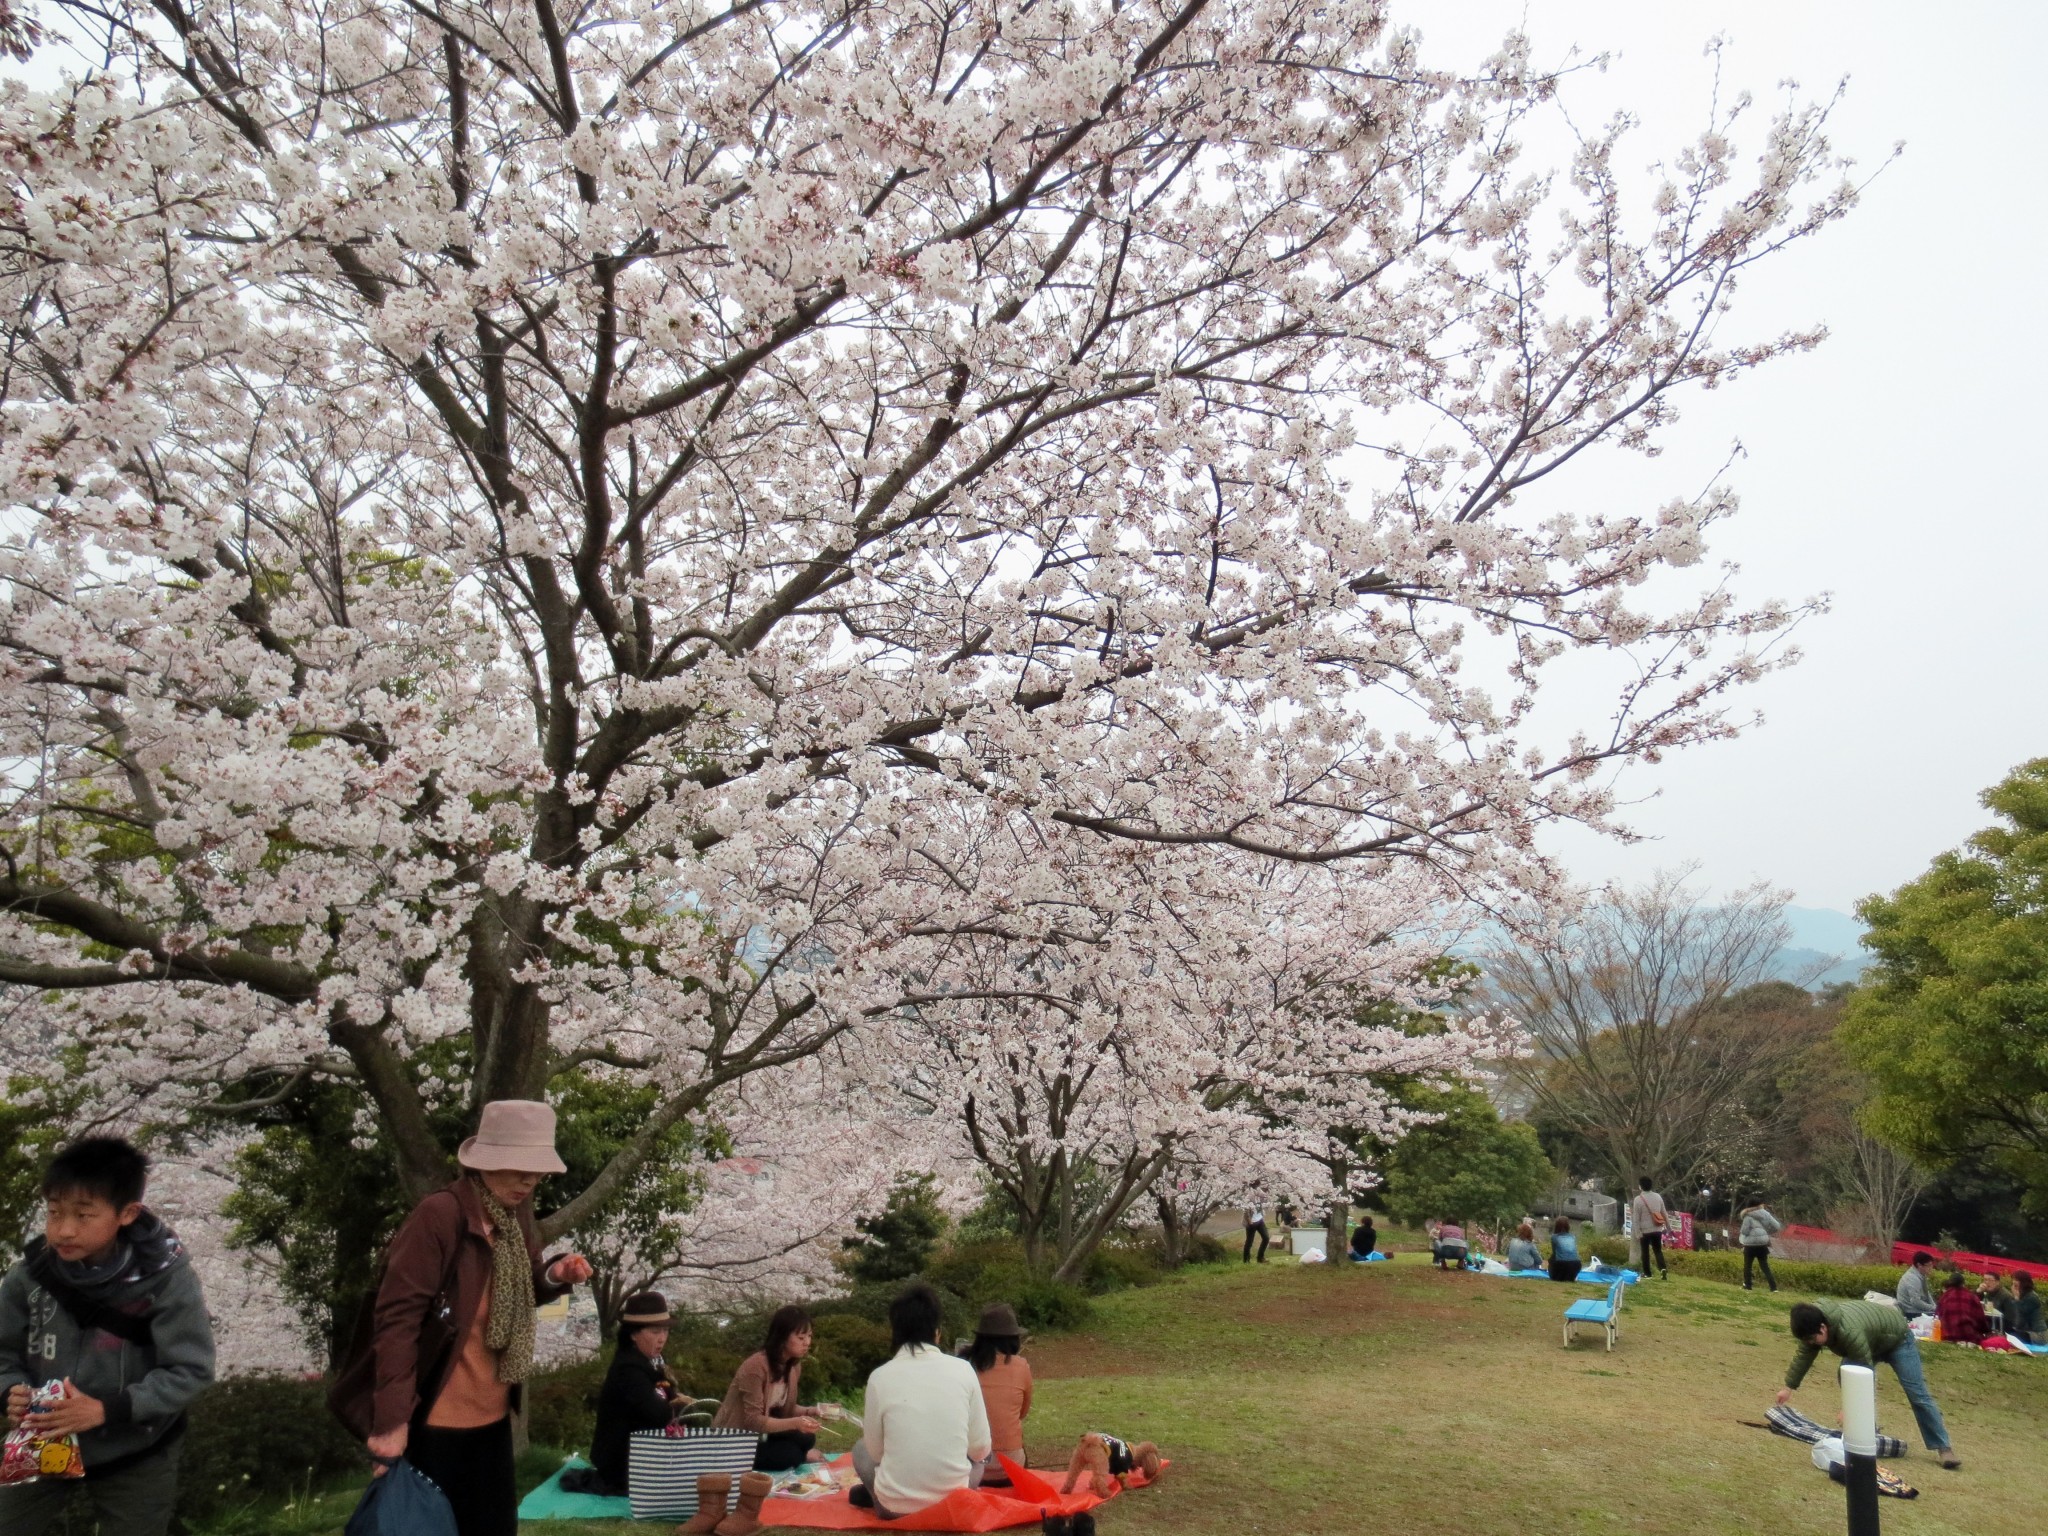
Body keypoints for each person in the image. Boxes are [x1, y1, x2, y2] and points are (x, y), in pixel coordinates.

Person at [358, 1100, 593, 1536]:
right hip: (437, 1425)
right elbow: (396, 1321)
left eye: (537, 1169)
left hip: (493, 1418)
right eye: (518, 1166)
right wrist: (390, 1423)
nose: (529, 1180)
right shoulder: (439, 1216)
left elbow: (516, 1288)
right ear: (485, 1161)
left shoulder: (511, 1216)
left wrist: (555, 1274)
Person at [0, 1136, 217, 1536]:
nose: (63, 1230)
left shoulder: (166, 1278)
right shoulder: (29, 1277)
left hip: (137, 1445)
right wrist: (10, 1390)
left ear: (127, 1213)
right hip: (43, 1436)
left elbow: (190, 1368)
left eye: (83, 1216)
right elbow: (2, 1354)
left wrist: (106, 1410)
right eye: (54, 1213)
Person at [849, 1283, 991, 1518]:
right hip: (953, 1504)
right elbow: (980, 1449)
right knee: (979, 1461)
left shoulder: (880, 1377)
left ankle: (878, 1494)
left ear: (896, 1332)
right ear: (937, 1331)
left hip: (894, 1508)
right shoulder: (964, 1370)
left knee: (859, 1449)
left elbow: (875, 1453)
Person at [1778, 1299, 1960, 1470]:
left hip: (1898, 1340)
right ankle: (1866, 1436)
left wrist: (1849, 1408)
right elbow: (1804, 1356)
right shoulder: (1812, 1324)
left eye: (1811, 1339)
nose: (1810, 1343)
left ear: (1823, 1328)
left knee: (1917, 1394)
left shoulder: (1849, 1331)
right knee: (1846, 1374)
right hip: (1870, 1341)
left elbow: (1863, 1373)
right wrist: (1788, 1387)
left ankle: (1944, 1448)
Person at [583, 1292, 680, 1495]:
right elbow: (658, 1415)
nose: (662, 1338)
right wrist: (678, 1406)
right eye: (655, 1331)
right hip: (623, 1463)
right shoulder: (628, 1370)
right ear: (633, 1334)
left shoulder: (653, 1361)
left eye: (665, 1330)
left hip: (641, 1454)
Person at [712, 1304, 825, 1471]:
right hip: (736, 1440)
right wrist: (796, 1423)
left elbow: (784, 1408)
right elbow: (753, 1421)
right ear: (782, 1337)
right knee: (791, 1454)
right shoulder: (755, 1367)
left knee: (806, 1438)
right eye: (801, 1338)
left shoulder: (793, 1367)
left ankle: (797, 1454)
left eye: (809, 1336)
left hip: (762, 1436)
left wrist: (813, 1411)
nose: (807, 1343)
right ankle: (801, 1457)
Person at [966, 1302, 1031, 1484]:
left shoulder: (965, 1366)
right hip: (1010, 1468)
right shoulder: (1021, 1366)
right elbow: (1022, 1413)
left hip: (972, 1468)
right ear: (1013, 1338)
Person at [1737, 1194, 1781, 1293]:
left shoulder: (1747, 1216)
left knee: (1748, 1265)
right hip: (1762, 1244)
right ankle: (1773, 1287)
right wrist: (1765, 1232)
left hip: (1750, 1245)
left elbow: (1744, 1231)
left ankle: (1748, 1285)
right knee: (1765, 1266)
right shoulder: (1766, 1214)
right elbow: (1777, 1226)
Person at [1630, 1176, 1670, 1279]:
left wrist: (1637, 1232)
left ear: (1640, 1187)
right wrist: (1668, 1227)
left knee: (1645, 1252)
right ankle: (1662, 1269)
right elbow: (1664, 1213)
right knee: (1658, 1250)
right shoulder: (1658, 1196)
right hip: (1657, 1229)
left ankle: (1647, 1274)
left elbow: (1636, 1218)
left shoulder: (1638, 1200)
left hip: (1645, 1231)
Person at [1934, 1270, 1985, 1345]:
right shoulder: (1971, 1296)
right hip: (1969, 1336)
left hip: (1947, 1336)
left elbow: (1937, 1316)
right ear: (1963, 1284)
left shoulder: (1944, 1297)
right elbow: (1981, 1319)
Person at [1894, 1251, 1939, 1319]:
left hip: (1916, 1310)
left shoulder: (1919, 1275)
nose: (1931, 1268)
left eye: (1932, 1265)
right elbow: (1916, 1302)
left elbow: (1927, 1294)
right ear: (1919, 1265)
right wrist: (1933, 1308)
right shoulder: (1912, 1278)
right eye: (1928, 1265)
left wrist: (1935, 1307)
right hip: (1911, 1312)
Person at [2013, 1273, 2045, 1344]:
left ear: (2023, 1282)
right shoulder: (2023, 1295)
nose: (2014, 1282)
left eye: (2016, 1280)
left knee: (2013, 1336)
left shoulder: (2032, 1297)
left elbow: (2021, 1316)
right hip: (2027, 1331)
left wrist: (2016, 1299)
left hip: (2038, 1335)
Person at [1547, 1217, 1581, 1283]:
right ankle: (1570, 1276)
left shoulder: (1554, 1237)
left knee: (1552, 1259)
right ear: (1568, 1226)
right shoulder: (1573, 1237)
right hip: (1576, 1264)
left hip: (1561, 1264)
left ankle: (1556, 1276)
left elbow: (1554, 1253)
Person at [1242, 1193, 1269, 1264]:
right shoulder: (1249, 1196)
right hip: (1252, 1222)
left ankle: (1260, 1258)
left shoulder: (1261, 1195)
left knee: (1266, 1238)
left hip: (1260, 1220)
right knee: (1249, 1242)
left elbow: (1266, 1201)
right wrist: (1249, 1221)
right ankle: (1246, 1261)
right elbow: (1245, 1210)